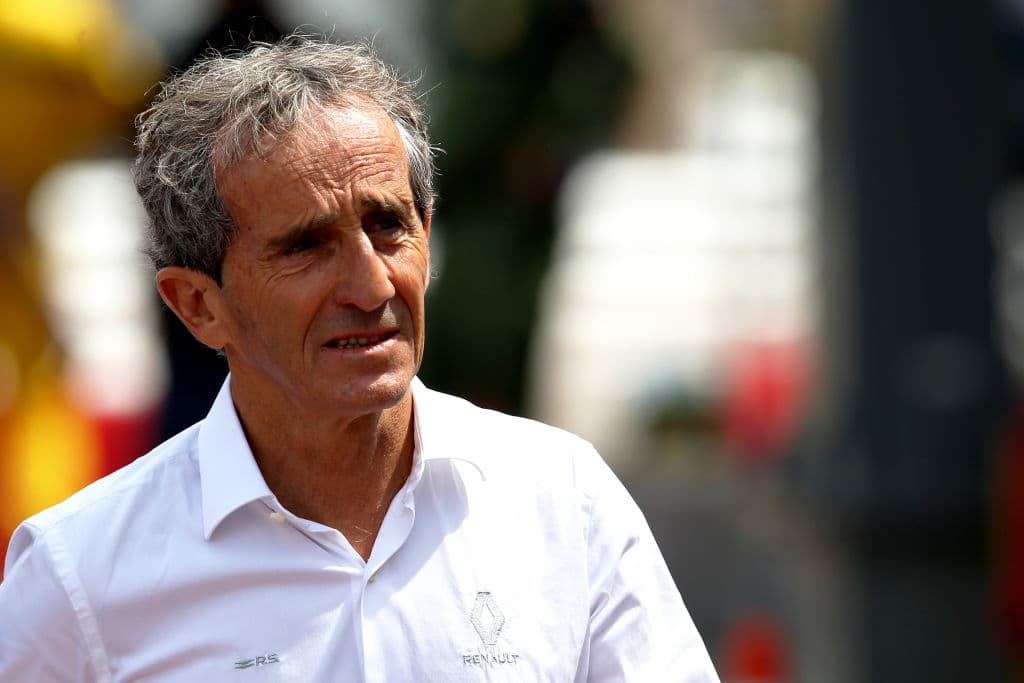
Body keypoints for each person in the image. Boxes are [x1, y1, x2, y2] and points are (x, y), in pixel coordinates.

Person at [0, 35, 719, 682]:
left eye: (389, 226)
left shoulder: (564, 500)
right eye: (307, 246)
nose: (373, 283)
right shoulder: (81, 575)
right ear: (198, 304)